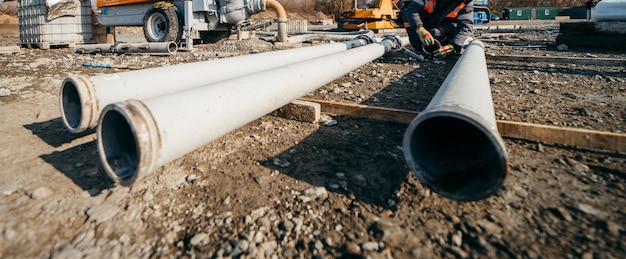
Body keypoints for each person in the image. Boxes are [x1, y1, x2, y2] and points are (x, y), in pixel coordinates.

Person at [397, 0, 474, 58]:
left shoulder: (464, 2)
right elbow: (412, 10)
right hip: (425, 24)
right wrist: (419, 28)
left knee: (435, 34)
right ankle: (419, 48)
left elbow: (466, 25)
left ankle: (439, 48)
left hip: (445, 28)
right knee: (406, 16)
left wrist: (454, 45)